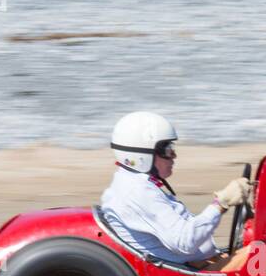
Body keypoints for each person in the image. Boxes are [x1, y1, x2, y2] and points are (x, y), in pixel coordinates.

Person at [98, 111, 251, 267]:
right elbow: (184, 242)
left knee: (265, 248)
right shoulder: (137, 191)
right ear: (141, 154)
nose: (174, 155)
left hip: (204, 263)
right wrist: (221, 204)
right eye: (166, 149)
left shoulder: (131, 184)